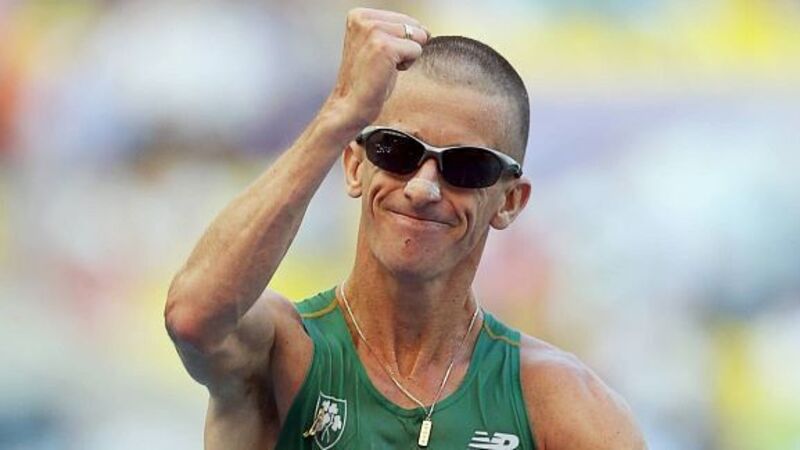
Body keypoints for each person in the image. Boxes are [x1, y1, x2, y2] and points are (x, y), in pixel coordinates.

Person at [164, 7, 647, 450]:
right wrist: (340, 113)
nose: (422, 188)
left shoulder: (561, 403)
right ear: (355, 165)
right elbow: (192, 319)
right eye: (396, 150)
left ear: (509, 202)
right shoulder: (283, 352)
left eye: (467, 166)